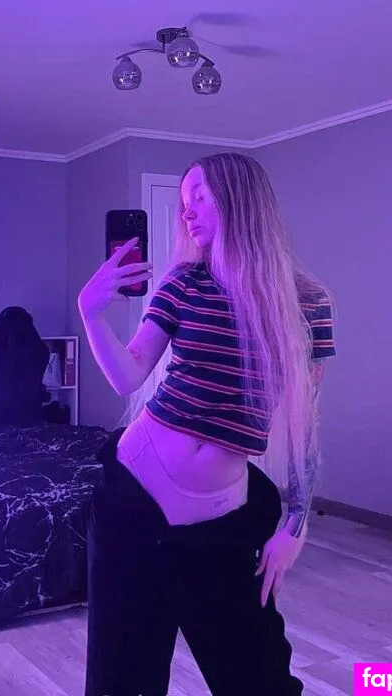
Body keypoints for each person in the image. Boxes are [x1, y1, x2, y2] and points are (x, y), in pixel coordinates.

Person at [77, 152, 335, 696]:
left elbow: (305, 423)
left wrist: (296, 523)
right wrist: (90, 312)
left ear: (240, 199)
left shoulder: (307, 301)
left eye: (200, 196)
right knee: (122, 682)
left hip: (220, 520)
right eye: (183, 200)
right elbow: (128, 376)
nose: (187, 211)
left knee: (258, 679)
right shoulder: (184, 282)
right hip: (132, 501)